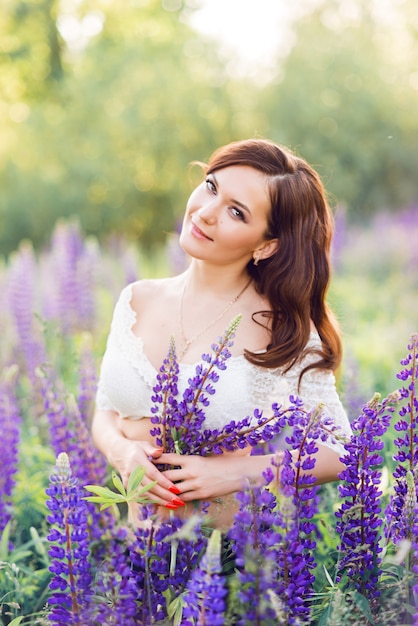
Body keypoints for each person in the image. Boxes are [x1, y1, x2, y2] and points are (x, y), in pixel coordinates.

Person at [92, 138, 352, 529]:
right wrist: (122, 452)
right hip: (140, 563)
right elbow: (106, 411)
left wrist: (235, 474)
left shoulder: (282, 328)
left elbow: (343, 452)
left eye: (236, 212)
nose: (206, 213)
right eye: (211, 187)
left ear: (267, 246)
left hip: (231, 567)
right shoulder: (136, 299)